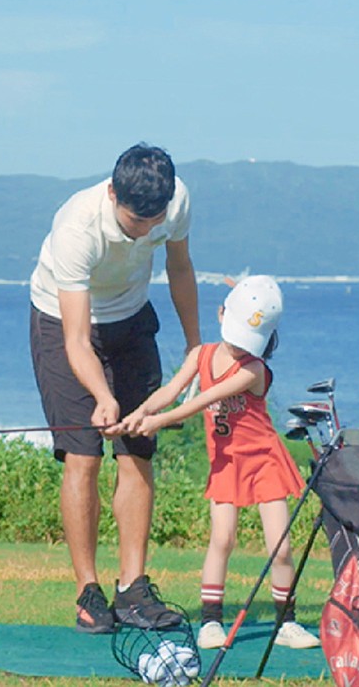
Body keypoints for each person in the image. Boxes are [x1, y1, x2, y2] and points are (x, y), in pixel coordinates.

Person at [28, 144, 200, 633]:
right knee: (83, 456)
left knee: (137, 449)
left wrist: (195, 345)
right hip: (62, 322)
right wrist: (103, 398)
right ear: (112, 194)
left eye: (154, 220)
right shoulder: (76, 228)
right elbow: (77, 340)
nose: (145, 230)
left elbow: (180, 268)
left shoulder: (176, 201)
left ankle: (133, 590)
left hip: (131, 317)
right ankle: (89, 592)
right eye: (135, 221)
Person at [118, 275, 321, 649]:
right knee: (222, 539)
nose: (240, 346)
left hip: (264, 461)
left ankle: (286, 623)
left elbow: (202, 400)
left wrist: (158, 422)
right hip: (226, 462)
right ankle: (211, 622)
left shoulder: (253, 370)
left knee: (280, 547)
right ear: (221, 314)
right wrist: (138, 414)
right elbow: (171, 390)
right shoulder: (201, 355)